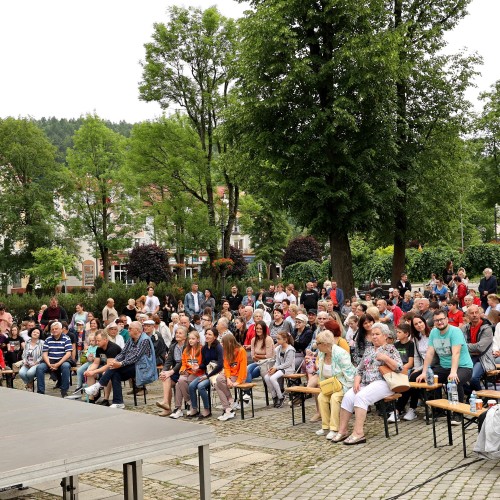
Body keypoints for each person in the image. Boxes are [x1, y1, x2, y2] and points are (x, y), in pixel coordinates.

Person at [336, 323, 403, 444]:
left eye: (377, 334)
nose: (374, 337)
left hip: (384, 382)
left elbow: (399, 368)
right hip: (366, 383)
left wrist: (386, 358)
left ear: (385, 336)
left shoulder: (391, 349)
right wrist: (357, 381)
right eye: (372, 334)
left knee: (361, 397)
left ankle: (358, 433)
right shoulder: (369, 350)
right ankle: (343, 430)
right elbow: (359, 369)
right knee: (348, 396)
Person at [416, 309, 473, 422]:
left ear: (447, 319)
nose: (439, 322)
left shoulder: (455, 331)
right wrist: (424, 372)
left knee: (454, 381)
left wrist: (453, 372)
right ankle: (438, 411)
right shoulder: (433, 332)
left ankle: (458, 413)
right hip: (444, 367)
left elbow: (456, 353)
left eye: (441, 319)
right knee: (427, 379)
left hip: (463, 366)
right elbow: (430, 353)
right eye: (436, 320)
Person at [85, 321, 157, 409]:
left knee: (115, 369)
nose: (128, 330)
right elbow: (123, 353)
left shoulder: (144, 340)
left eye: (130, 329)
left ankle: (99, 385)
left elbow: (136, 357)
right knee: (115, 372)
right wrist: (115, 361)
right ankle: (118, 402)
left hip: (142, 367)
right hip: (131, 365)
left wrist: (120, 363)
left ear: (137, 330)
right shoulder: (131, 338)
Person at [315, 330, 356, 440]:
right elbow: (321, 372)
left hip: (343, 384)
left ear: (325, 344)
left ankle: (334, 428)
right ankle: (325, 426)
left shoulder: (340, 353)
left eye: (317, 343)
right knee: (321, 397)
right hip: (329, 385)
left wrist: (347, 389)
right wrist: (322, 385)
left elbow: (350, 374)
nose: (316, 345)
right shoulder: (322, 353)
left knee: (335, 398)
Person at [188, 327, 224, 419]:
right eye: (206, 334)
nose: (207, 336)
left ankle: (207, 409)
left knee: (201, 386)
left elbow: (220, 365)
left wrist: (208, 376)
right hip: (207, 373)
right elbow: (205, 363)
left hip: (216, 374)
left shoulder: (218, 348)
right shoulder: (204, 348)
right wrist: (198, 366)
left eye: (210, 334)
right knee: (192, 385)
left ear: (215, 337)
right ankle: (194, 408)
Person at [461, 304, 496, 395]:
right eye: (472, 313)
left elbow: (480, 348)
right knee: (458, 378)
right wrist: (471, 348)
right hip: (468, 357)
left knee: (473, 378)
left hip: (483, 358)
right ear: (467, 316)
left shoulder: (487, 328)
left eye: (476, 312)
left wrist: (466, 347)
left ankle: (482, 397)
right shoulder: (465, 328)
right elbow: (459, 344)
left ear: (480, 313)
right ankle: (474, 395)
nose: (474, 315)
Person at [170, 331, 204, 419]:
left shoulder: (201, 350)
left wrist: (197, 368)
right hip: (188, 372)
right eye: (190, 339)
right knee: (179, 382)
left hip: (197, 373)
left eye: (193, 339)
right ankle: (183, 406)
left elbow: (203, 364)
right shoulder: (186, 350)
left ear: (198, 340)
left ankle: (185, 405)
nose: (191, 341)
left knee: (179, 383)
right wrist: (182, 370)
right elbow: (184, 363)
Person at [215, 333, 247, 421]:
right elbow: (227, 366)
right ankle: (228, 407)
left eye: (223, 344)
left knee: (218, 381)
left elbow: (243, 368)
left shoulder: (241, 351)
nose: (222, 346)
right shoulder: (226, 351)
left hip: (238, 376)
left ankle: (228, 408)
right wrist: (228, 378)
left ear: (229, 343)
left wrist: (238, 381)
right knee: (217, 383)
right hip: (230, 375)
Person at [36, 321, 73, 397]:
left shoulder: (66, 338)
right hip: (50, 361)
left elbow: (68, 354)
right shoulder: (48, 339)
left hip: (63, 360)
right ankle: (40, 391)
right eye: (52, 329)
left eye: (56, 329)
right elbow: (45, 354)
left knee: (66, 366)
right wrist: (49, 364)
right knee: (39, 368)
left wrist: (58, 364)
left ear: (61, 329)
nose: (54, 330)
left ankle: (64, 390)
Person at [156, 327, 187, 416]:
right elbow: (168, 361)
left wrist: (171, 371)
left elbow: (182, 362)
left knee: (171, 378)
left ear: (185, 336)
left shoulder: (187, 346)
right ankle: (167, 407)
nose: (177, 334)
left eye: (180, 333)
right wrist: (164, 371)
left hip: (184, 370)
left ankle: (174, 407)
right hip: (175, 371)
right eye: (176, 332)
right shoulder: (173, 346)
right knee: (166, 378)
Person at [387, 323, 414, 422]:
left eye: (399, 332)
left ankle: (397, 411)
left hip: (406, 369)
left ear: (406, 334)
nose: (397, 334)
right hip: (396, 369)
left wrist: (400, 369)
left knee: (405, 384)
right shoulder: (395, 345)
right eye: (397, 332)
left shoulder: (411, 345)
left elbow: (410, 363)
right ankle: (395, 409)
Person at [264, 331, 296, 407]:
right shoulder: (278, 348)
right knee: (267, 377)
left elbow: (288, 363)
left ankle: (281, 397)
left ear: (285, 340)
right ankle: (274, 396)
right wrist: (273, 368)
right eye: (276, 338)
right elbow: (277, 361)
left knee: (272, 378)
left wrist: (276, 368)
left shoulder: (290, 349)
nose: (277, 340)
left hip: (288, 369)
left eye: (279, 339)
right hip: (280, 368)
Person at [245, 320, 274, 387]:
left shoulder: (268, 339)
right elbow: (252, 356)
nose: (258, 330)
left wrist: (257, 356)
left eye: (260, 329)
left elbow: (269, 356)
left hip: (267, 363)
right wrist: (258, 357)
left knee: (247, 372)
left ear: (264, 329)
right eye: (257, 328)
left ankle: (246, 392)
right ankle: (247, 393)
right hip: (257, 362)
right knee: (247, 370)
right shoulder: (253, 340)